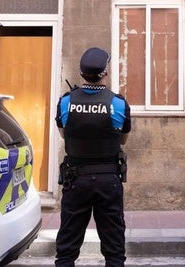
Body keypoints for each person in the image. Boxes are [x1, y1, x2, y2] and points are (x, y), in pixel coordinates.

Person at [54, 47, 132, 267]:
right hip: (109, 181)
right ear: (105, 72)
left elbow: (64, 134)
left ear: (81, 73)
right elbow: (122, 141)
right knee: (114, 249)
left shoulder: (65, 102)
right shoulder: (118, 104)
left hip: (75, 180)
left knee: (67, 249)